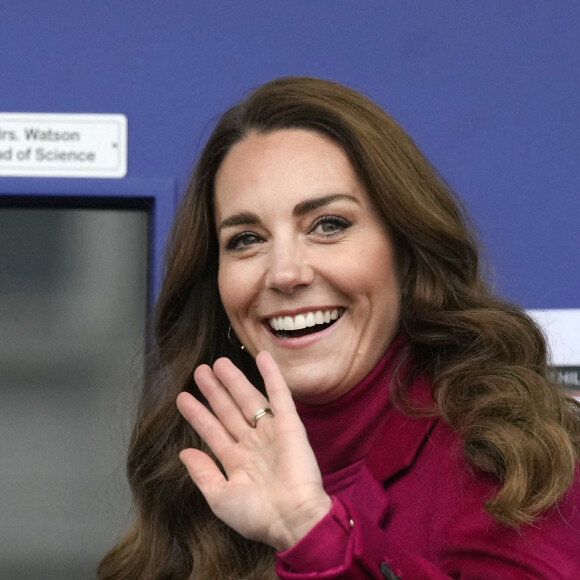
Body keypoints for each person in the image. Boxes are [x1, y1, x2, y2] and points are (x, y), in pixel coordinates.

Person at [98, 77, 580, 579]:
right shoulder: (194, 474)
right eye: (246, 239)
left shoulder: (511, 454)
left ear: (405, 251)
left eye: (328, 225)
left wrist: (312, 534)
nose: (285, 273)